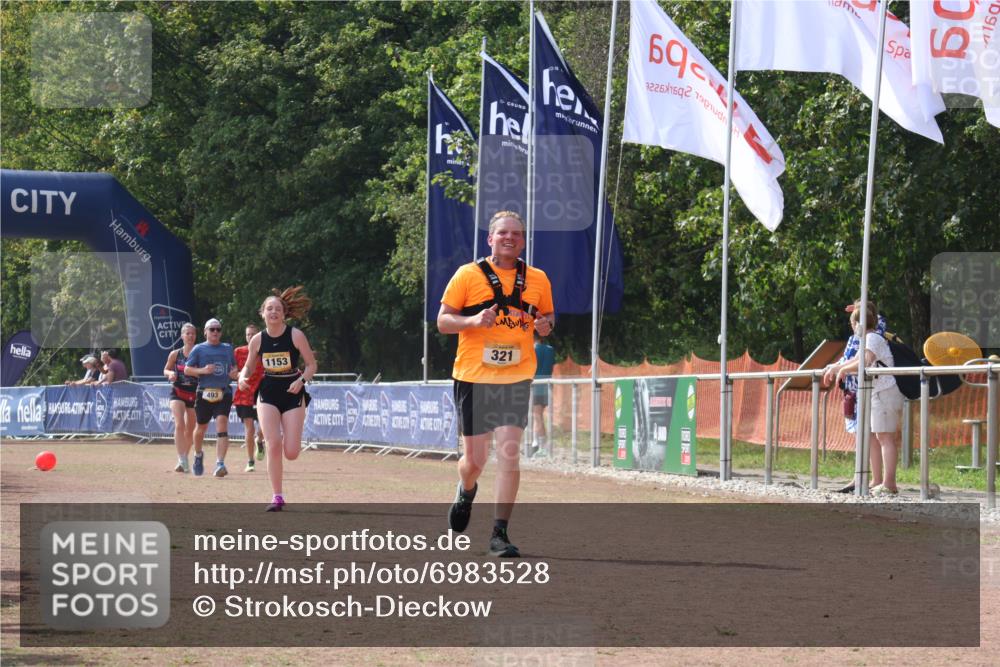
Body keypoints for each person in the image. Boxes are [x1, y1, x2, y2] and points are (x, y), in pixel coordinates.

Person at [437, 211, 554, 558]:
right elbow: (443, 321)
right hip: (474, 377)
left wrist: (546, 325)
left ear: (523, 240)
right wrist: (472, 320)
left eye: (517, 234)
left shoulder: (537, 279)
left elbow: (547, 318)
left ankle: (499, 533)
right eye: (503, 233)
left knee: (509, 453)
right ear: (490, 238)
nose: (510, 238)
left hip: (516, 377)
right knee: (475, 460)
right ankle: (466, 488)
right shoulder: (467, 275)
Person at [238, 287, 317, 511]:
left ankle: (283, 446)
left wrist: (301, 381)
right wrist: (243, 377)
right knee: (274, 444)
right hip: (268, 391)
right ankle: (277, 496)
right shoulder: (257, 340)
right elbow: (249, 366)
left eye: (278, 309)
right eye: (269, 308)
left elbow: (312, 365)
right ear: (262, 313)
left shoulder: (295, 335)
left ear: (284, 314)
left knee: (290, 452)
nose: (273, 312)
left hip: (293, 391)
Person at [824, 305, 904, 495]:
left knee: (885, 437)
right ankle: (880, 481)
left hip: (883, 391)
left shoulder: (872, 338)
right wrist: (840, 368)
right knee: (879, 436)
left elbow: (865, 361)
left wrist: (842, 369)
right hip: (877, 391)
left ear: (856, 324)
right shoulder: (868, 338)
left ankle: (889, 483)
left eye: (852, 323)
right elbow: (856, 360)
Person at [184, 319, 238, 478]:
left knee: (222, 424)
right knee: (201, 428)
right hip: (204, 393)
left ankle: (220, 463)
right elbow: (187, 369)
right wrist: (203, 370)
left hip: (224, 392)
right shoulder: (199, 349)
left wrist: (234, 373)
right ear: (206, 332)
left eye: (218, 329)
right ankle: (198, 454)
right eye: (212, 329)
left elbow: (234, 367)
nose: (215, 332)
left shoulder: (228, 348)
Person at [163, 323, 199, 473]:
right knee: (179, 425)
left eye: (193, 334)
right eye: (187, 333)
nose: (190, 336)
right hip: (177, 392)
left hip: (194, 394)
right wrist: (170, 374)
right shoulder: (175, 354)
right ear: (182, 336)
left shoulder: (200, 354)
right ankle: (182, 459)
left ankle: (184, 457)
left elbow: (206, 372)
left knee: (190, 431)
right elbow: (165, 369)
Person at [234, 323, 266, 472]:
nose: (250, 337)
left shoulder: (266, 352)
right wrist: (239, 375)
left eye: (253, 334)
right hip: (244, 394)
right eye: (248, 335)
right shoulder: (238, 352)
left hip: (263, 392)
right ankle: (250, 461)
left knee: (264, 428)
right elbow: (232, 372)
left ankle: (260, 441)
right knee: (249, 429)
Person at [530, 333, 556, 457]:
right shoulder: (550, 349)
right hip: (547, 386)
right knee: (537, 416)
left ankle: (541, 446)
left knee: (537, 417)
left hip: (535, 386)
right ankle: (536, 444)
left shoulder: (532, 350)